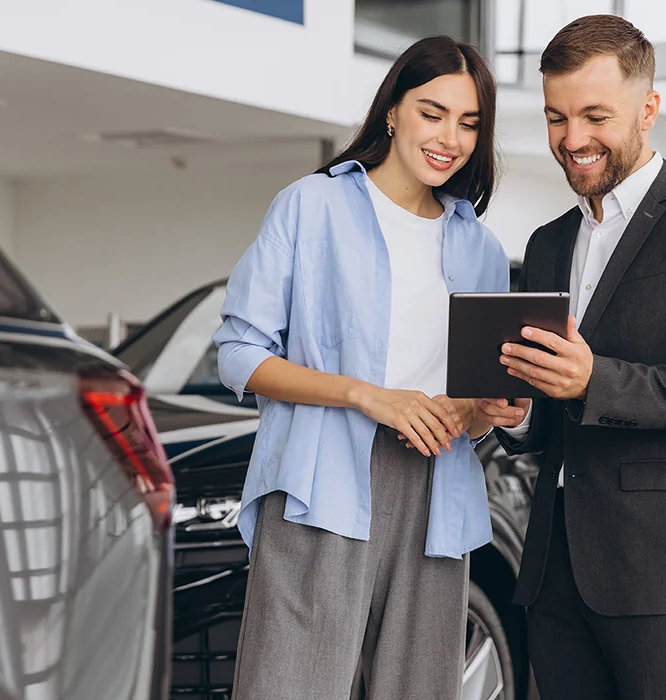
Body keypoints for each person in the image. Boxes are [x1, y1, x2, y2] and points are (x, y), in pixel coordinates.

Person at [476, 15, 666, 700]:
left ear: (647, 109)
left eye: (593, 116)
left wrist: (594, 380)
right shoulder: (549, 242)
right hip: (553, 569)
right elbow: (552, 419)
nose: (571, 140)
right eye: (555, 117)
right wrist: (520, 415)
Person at [214, 36, 509, 700]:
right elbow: (238, 354)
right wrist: (367, 396)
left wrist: (486, 410)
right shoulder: (310, 206)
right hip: (323, 479)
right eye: (432, 112)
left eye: (469, 123)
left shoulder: (481, 249)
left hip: (438, 491)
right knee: (292, 685)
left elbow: (474, 404)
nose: (449, 137)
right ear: (392, 112)